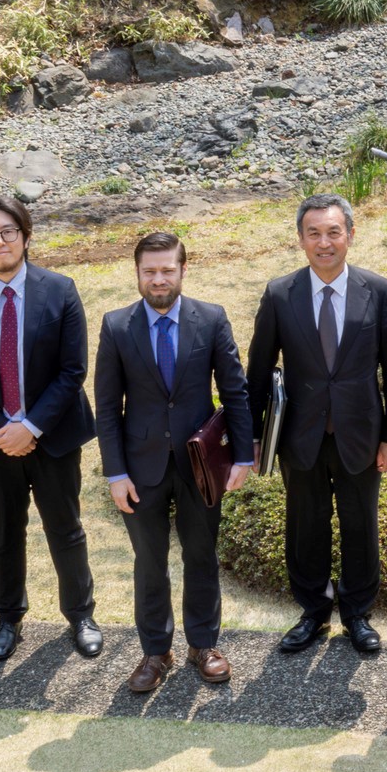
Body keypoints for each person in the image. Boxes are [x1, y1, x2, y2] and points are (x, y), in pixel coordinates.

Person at [0, 194, 102, 663]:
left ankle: (81, 615)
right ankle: (8, 618)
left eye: (9, 231)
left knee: (65, 529)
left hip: (53, 437)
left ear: (26, 236)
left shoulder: (60, 290)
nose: (0, 241)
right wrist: (4, 429)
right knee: (3, 533)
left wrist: (30, 426)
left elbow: (73, 370)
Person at [94, 231, 254, 692]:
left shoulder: (211, 318)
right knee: (149, 562)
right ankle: (155, 651)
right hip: (139, 469)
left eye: (167, 269)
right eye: (150, 271)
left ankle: (204, 645)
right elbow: (107, 406)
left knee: (201, 556)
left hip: (199, 465)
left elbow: (235, 391)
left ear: (183, 269)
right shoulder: (116, 326)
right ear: (137, 273)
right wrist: (115, 472)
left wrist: (242, 456)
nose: (159, 279)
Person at [247, 193, 387, 656]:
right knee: (305, 526)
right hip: (300, 436)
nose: (324, 242)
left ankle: (358, 614)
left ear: (350, 235)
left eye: (333, 232)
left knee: (361, 525)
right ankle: (313, 613)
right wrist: (253, 436)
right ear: (300, 239)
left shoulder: (379, 291)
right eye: (313, 233)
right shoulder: (280, 294)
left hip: (362, 435)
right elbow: (257, 371)